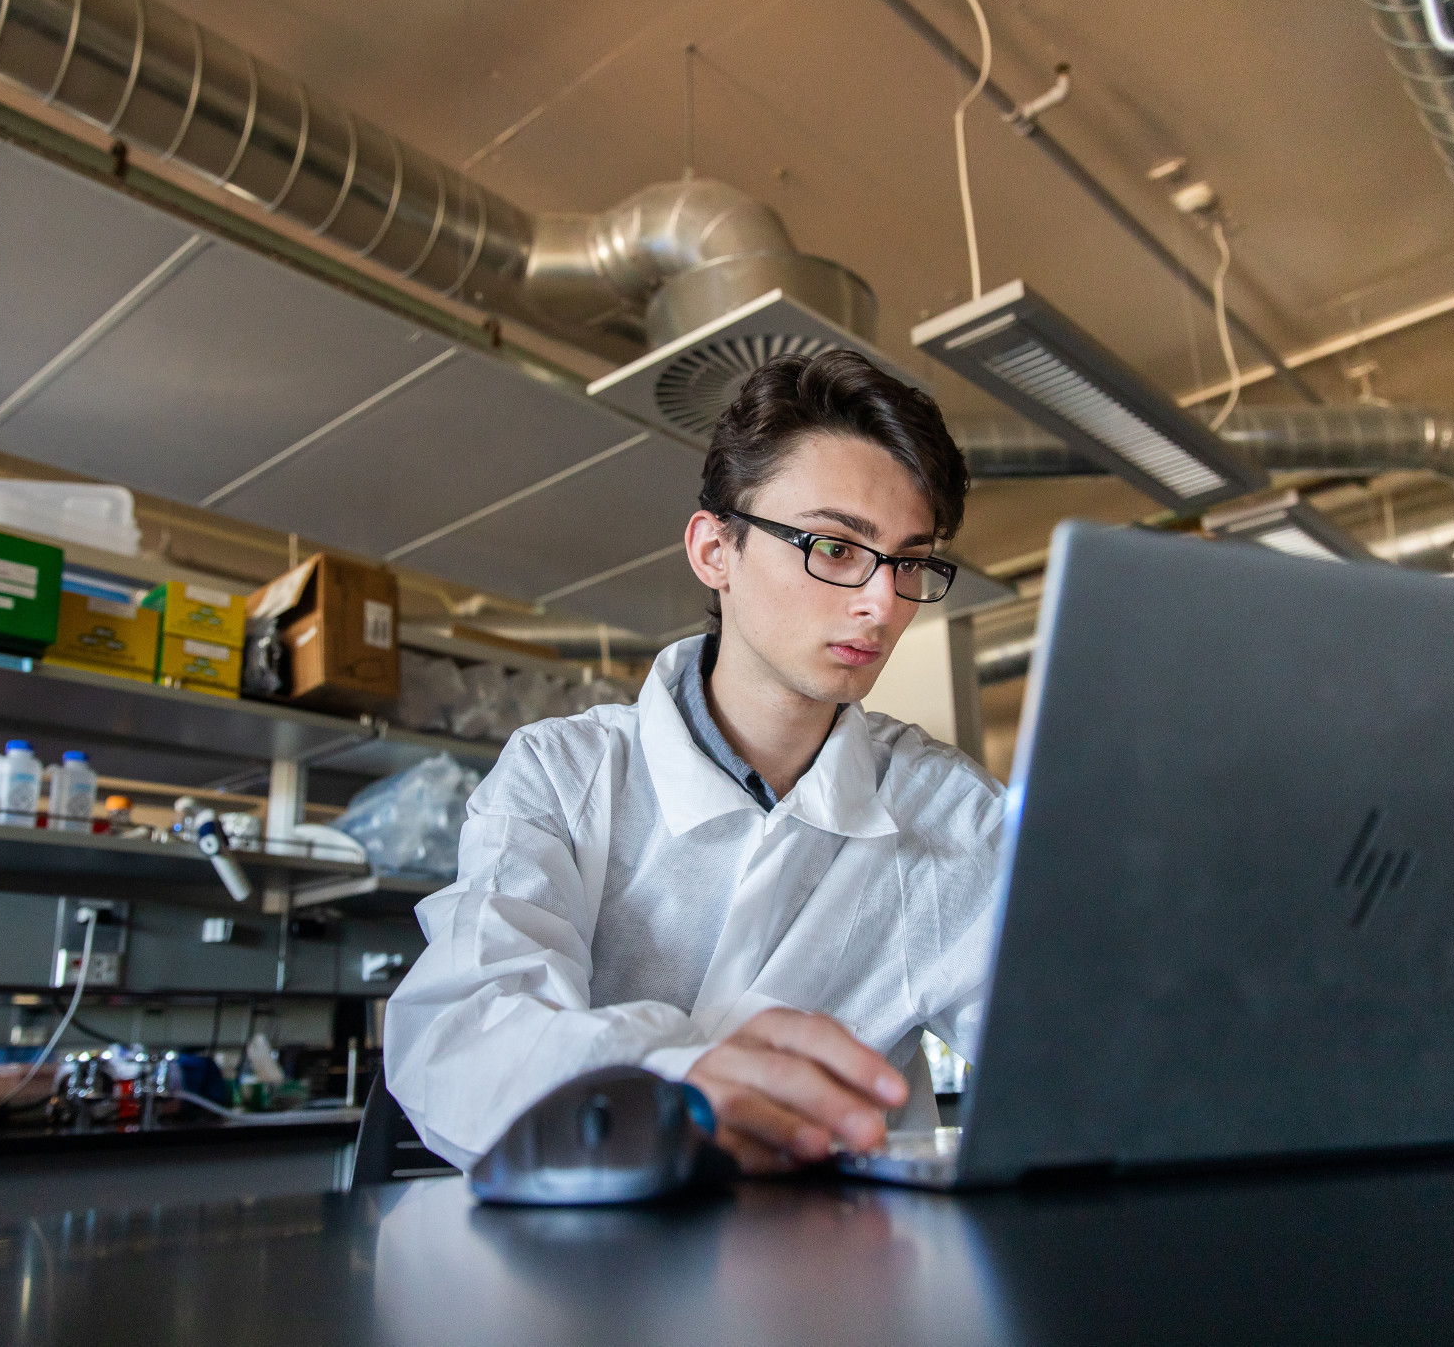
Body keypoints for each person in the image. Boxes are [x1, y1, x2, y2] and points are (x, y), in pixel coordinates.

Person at [383, 350, 1004, 1173]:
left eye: (908, 561)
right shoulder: (565, 774)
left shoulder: (946, 811)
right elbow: (461, 1033)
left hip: (842, 1274)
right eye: (834, 546)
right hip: (586, 1275)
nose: (881, 603)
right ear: (716, 550)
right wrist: (676, 1082)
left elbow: (1074, 1048)